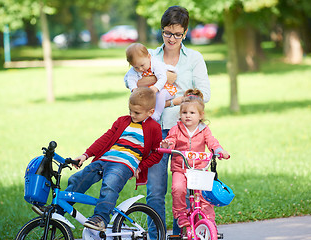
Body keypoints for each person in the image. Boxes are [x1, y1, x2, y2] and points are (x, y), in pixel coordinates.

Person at [133, 6, 211, 235]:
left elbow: (203, 94)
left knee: (184, 188)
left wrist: (177, 100)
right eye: (167, 32)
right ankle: (156, 235)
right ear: (162, 30)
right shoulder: (151, 58)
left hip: (186, 133)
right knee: (155, 190)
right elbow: (138, 93)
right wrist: (171, 101)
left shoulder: (194, 58)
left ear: (185, 33)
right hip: (156, 131)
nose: (172, 38)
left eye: (177, 34)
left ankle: (181, 234)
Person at [62, 87, 163, 231]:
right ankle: (58, 210)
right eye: (130, 111)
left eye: (137, 113)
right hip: (105, 159)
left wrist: (140, 167)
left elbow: (157, 153)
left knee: (110, 185)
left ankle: (101, 218)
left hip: (124, 165)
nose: (132, 115)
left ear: (150, 112)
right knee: (79, 178)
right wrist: (86, 155)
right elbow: (105, 139)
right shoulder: (123, 121)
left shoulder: (154, 127)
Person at [160, 89, 229, 228]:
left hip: (199, 169)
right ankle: (180, 215)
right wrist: (168, 144)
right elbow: (171, 140)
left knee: (204, 197)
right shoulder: (176, 129)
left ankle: (209, 222)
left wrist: (219, 151)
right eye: (184, 113)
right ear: (180, 114)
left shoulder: (204, 130)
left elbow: (212, 142)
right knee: (177, 188)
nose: (188, 116)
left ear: (200, 115)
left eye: (192, 113)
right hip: (181, 168)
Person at [124, 43, 177, 121]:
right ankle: (141, 115)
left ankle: (157, 114)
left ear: (149, 57)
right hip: (149, 92)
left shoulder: (156, 64)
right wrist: (134, 89)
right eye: (136, 67)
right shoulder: (134, 70)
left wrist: (156, 87)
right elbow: (130, 79)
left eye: (142, 65)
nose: (140, 69)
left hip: (164, 88)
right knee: (140, 100)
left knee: (160, 94)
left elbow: (163, 77)